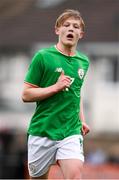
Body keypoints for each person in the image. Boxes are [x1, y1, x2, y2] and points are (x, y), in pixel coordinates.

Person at [22, 9, 90, 179]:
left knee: (75, 175)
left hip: (70, 131)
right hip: (42, 131)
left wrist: (82, 120)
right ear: (57, 30)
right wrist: (55, 87)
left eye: (75, 26)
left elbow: (77, 92)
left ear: (81, 34)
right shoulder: (43, 57)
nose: (71, 29)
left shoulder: (83, 61)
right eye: (66, 25)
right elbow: (26, 94)